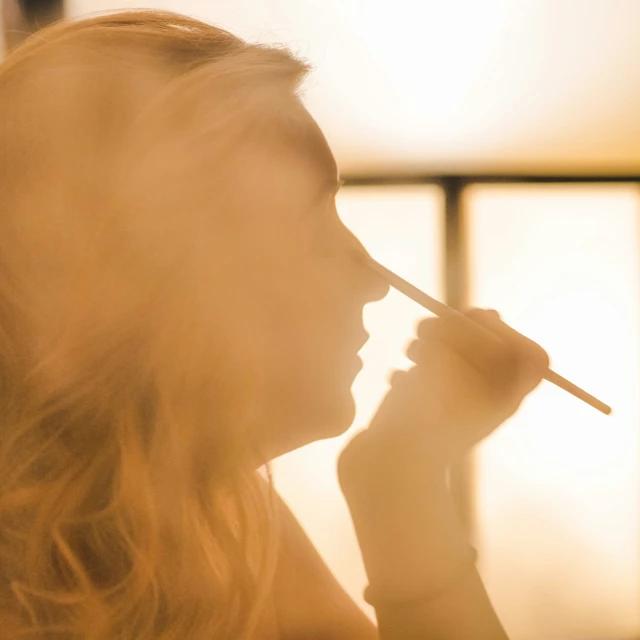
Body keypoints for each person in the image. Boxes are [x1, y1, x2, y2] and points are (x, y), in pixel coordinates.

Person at [0, 9, 549, 639]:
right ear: (176, 270)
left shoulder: (216, 519)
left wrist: (399, 480)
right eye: (316, 224)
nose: (372, 280)